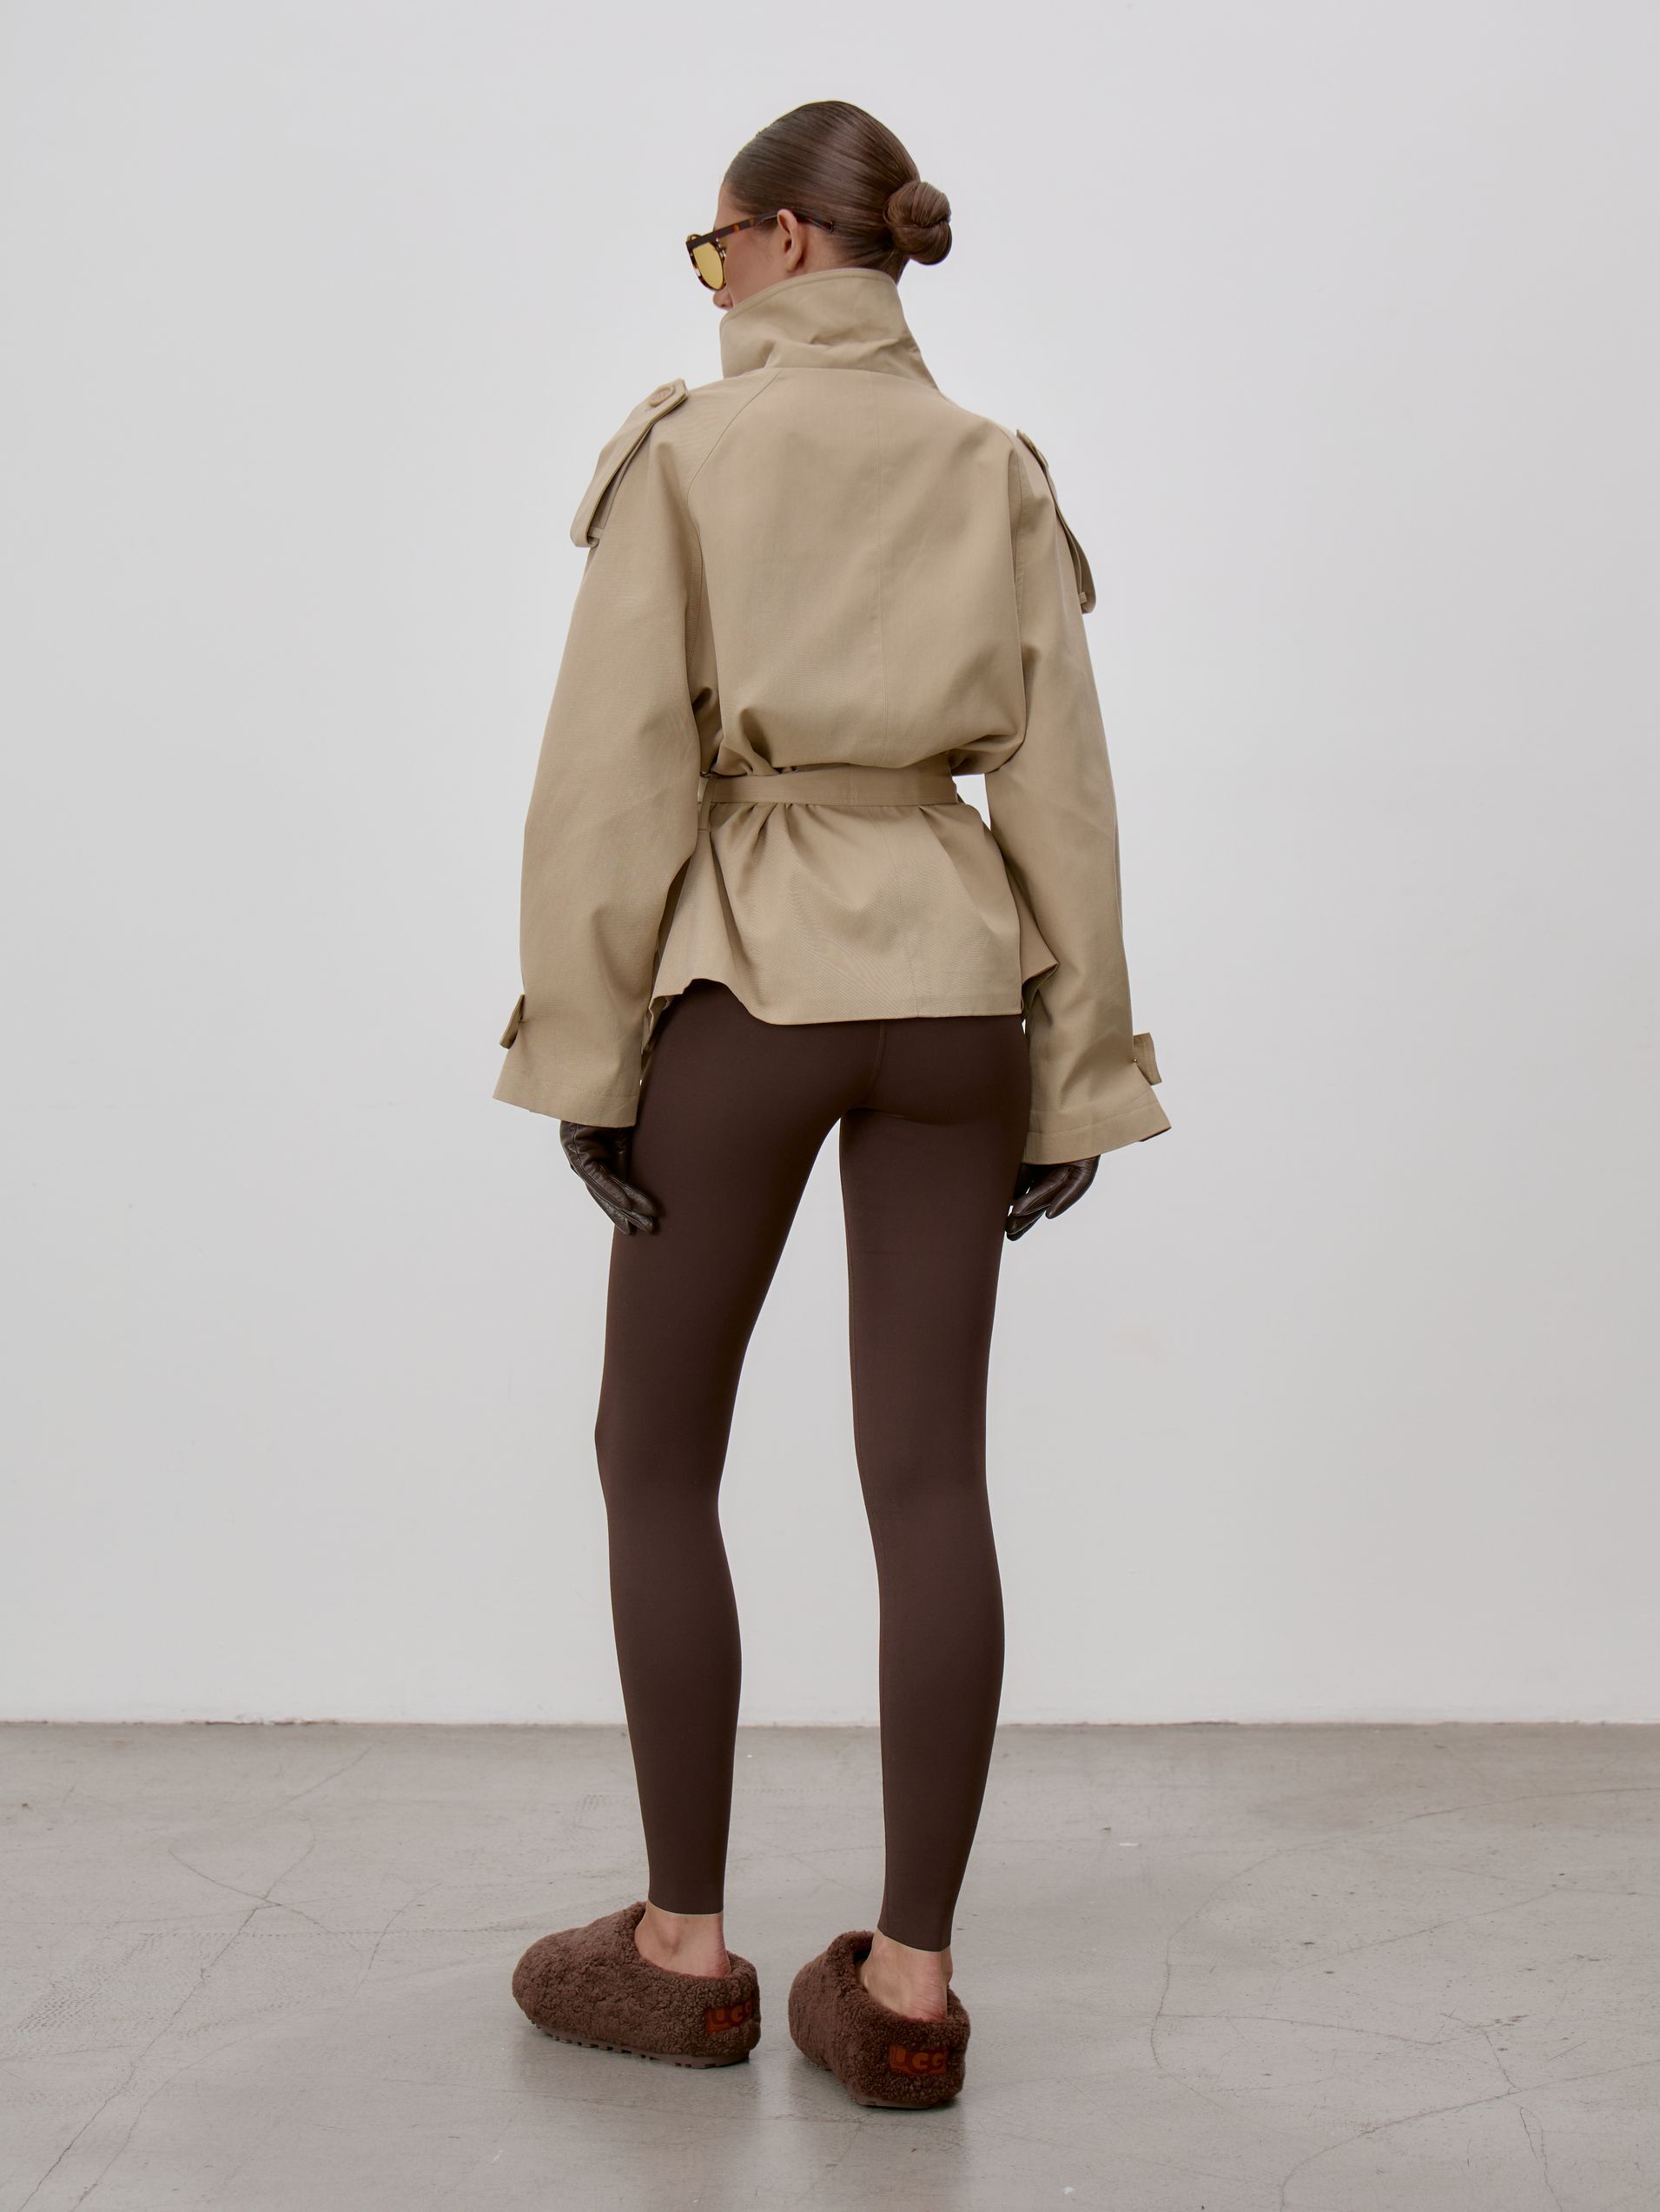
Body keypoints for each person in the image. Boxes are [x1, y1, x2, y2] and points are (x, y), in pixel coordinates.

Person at [495, 99, 1170, 2110]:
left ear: (788, 242)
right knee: (930, 1478)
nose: (712, 289)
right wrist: (1075, 1074)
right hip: (961, 990)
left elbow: (613, 778)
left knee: (651, 1452)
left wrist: (585, 1053)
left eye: (716, 253)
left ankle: (680, 1948)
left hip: (752, 984)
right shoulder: (992, 467)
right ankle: (908, 1989)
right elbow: (1061, 791)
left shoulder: (689, 455)